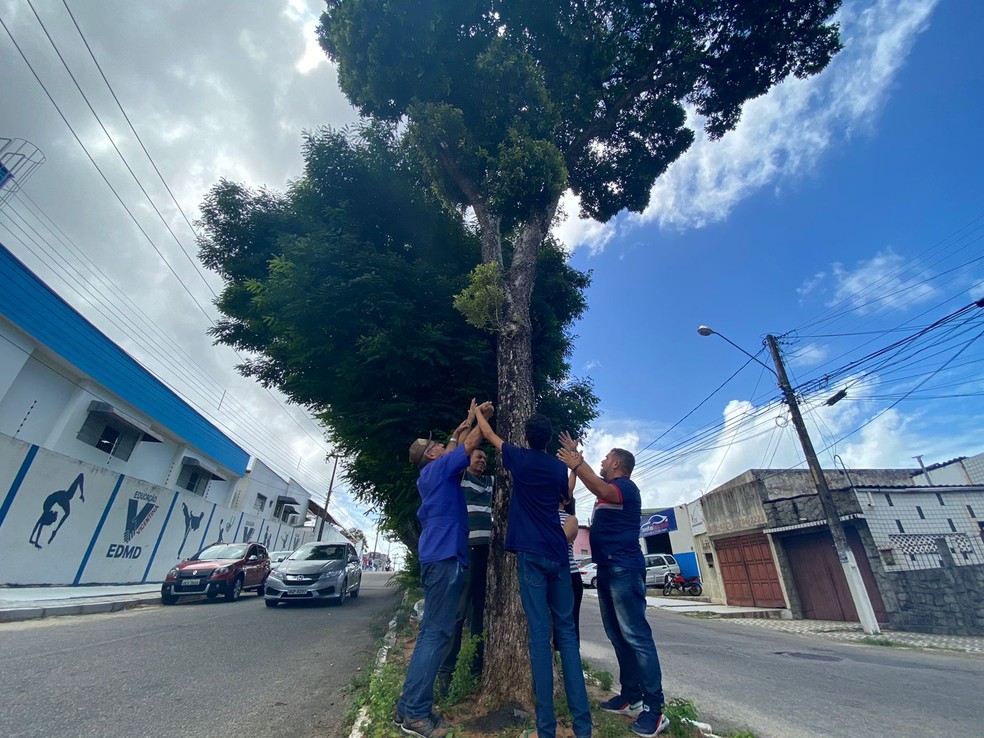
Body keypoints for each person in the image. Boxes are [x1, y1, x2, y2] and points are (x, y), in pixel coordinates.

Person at [474, 411, 591, 738]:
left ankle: (547, 730)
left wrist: (476, 414)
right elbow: (566, 497)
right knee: (567, 636)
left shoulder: (519, 458)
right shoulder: (557, 467)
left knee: (540, 637)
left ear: (526, 436)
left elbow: (490, 436)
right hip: (557, 554)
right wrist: (574, 465)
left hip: (531, 554)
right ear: (548, 438)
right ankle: (583, 728)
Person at [558, 436, 669, 738]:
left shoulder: (626, 488)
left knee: (636, 636)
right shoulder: (610, 488)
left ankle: (655, 710)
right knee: (618, 635)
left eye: (606, 459)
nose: (602, 463)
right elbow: (595, 480)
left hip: (624, 568)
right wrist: (574, 457)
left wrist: (577, 464)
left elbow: (598, 485)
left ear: (617, 463)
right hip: (607, 568)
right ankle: (630, 696)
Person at [396, 400, 493, 738]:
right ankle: (418, 716)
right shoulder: (439, 470)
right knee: (437, 634)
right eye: (436, 445)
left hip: (436, 557)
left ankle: (406, 706)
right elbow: (466, 445)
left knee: (430, 634)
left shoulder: (433, 472)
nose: (442, 444)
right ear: (433, 455)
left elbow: (455, 441)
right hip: (446, 557)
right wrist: (483, 421)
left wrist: (466, 418)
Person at [437, 447, 493, 693]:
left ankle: (477, 667)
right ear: (468, 460)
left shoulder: (490, 482)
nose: (482, 461)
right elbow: (452, 456)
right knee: (459, 613)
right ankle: (446, 673)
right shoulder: (462, 477)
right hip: (466, 552)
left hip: (486, 555)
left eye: (485, 458)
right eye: (478, 457)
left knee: (480, 612)